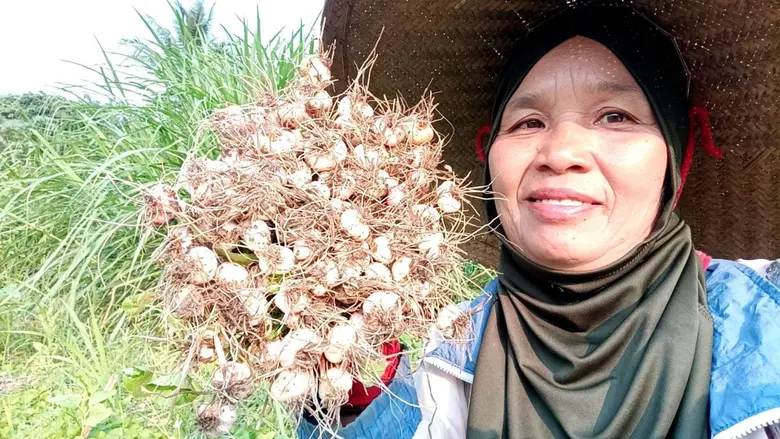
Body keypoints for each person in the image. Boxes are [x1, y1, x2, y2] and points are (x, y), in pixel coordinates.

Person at [298, 2, 780, 438]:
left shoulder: (766, 324)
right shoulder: (441, 359)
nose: (561, 153)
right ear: (488, 157)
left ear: (678, 158)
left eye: (615, 116)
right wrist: (352, 382)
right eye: (528, 122)